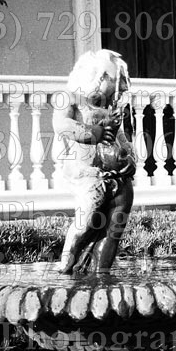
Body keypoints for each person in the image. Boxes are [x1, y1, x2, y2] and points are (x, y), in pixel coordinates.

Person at [54, 49, 136, 274]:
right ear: (98, 76)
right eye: (114, 80)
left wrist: (129, 157)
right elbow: (62, 125)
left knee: (113, 230)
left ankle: (102, 274)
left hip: (118, 179)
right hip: (87, 174)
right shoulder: (70, 97)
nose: (119, 87)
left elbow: (121, 138)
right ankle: (68, 259)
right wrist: (94, 133)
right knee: (86, 222)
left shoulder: (111, 106)